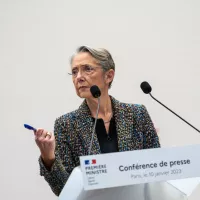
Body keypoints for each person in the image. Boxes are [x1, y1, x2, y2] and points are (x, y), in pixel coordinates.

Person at [34, 46, 160, 196]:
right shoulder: (66, 125)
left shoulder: (137, 115)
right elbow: (64, 190)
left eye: (87, 69)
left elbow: (158, 172)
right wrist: (49, 158)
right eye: (74, 72)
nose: (79, 77)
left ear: (109, 76)